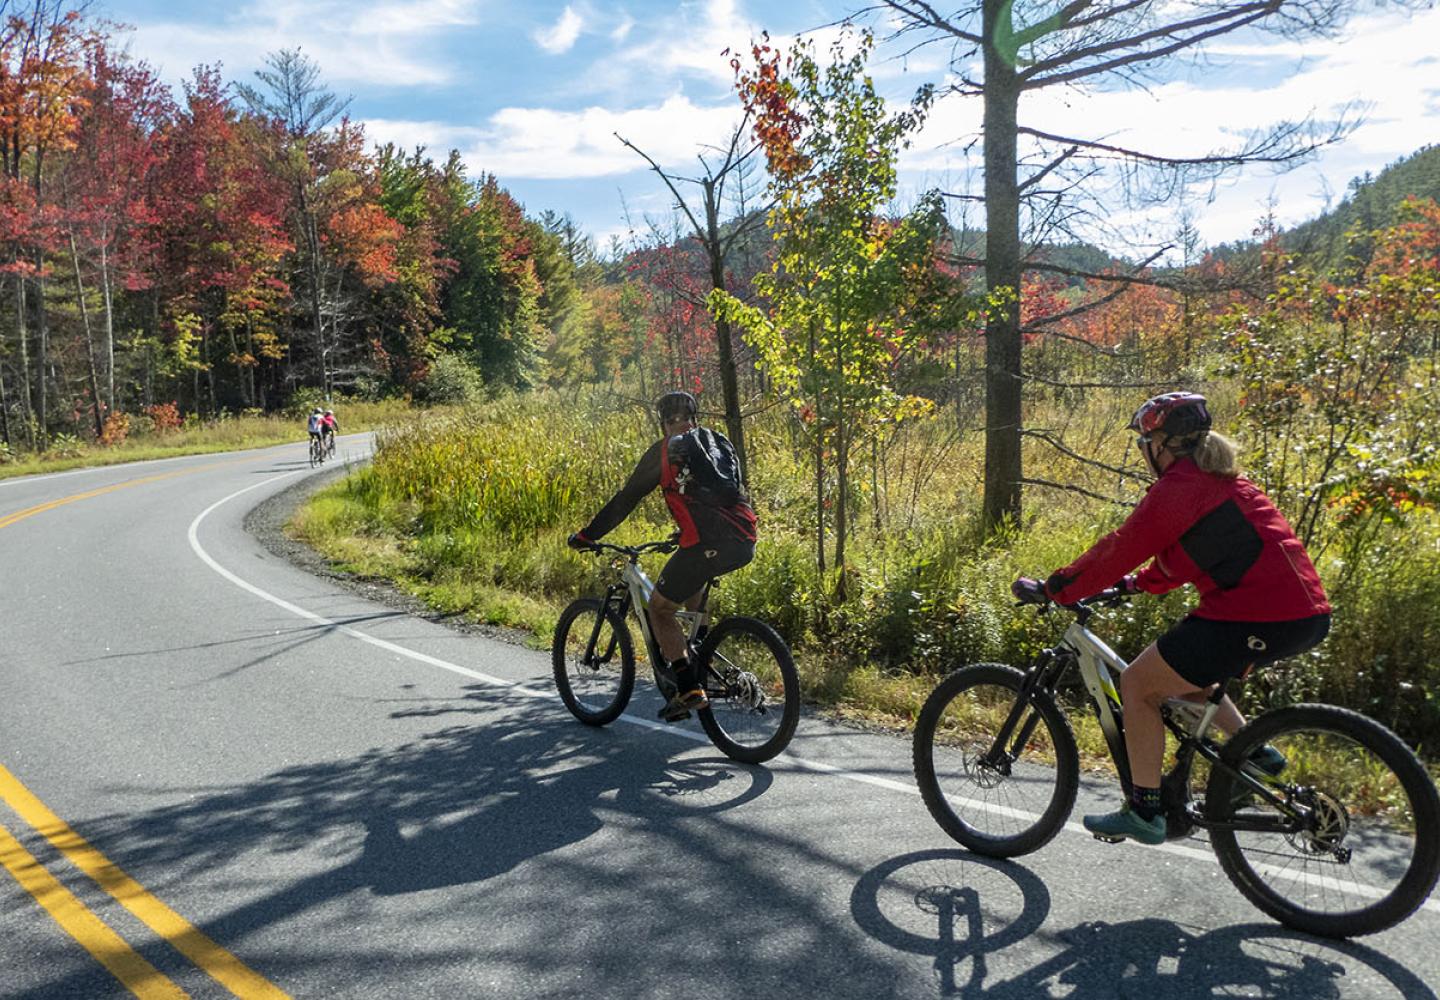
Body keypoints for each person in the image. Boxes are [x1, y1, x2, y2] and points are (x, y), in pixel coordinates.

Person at [1012, 391, 1331, 844]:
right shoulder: (1218, 481)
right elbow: (1180, 560)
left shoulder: (1182, 485)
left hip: (1257, 614)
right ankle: (1254, 754)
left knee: (1139, 685)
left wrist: (1057, 588)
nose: (1143, 453)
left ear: (1162, 444)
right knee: (1186, 678)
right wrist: (1132, 585)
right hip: (1298, 614)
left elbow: (1122, 545)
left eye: (1145, 443)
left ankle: (1145, 810)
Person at [568, 391, 757, 722]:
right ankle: (701, 660)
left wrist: (588, 536)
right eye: (676, 420)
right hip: (743, 540)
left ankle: (688, 686)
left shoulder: (666, 452)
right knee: (691, 587)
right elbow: (720, 497)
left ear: (664, 424)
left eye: (675, 420)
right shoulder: (715, 443)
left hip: (706, 543)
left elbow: (625, 500)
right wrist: (684, 534)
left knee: (660, 608)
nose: (678, 425)